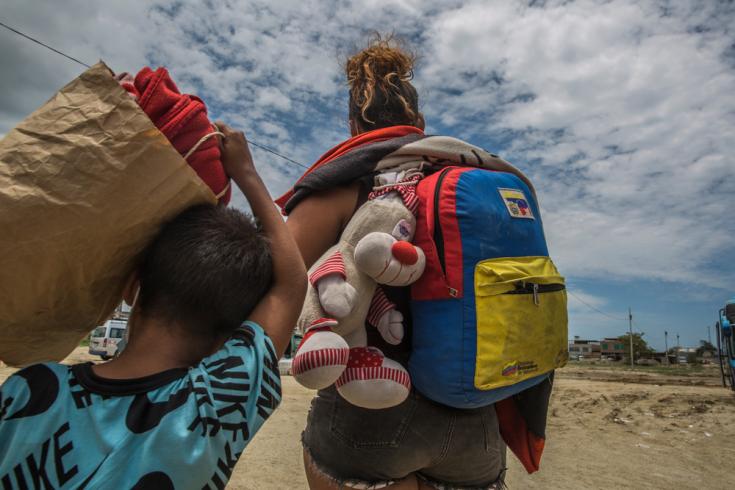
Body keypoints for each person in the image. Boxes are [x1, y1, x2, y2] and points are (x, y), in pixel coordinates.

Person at [0, 124, 307, 489]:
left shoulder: (30, 389)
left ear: (132, 288)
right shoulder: (213, 410)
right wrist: (247, 173)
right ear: (234, 329)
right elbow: (291, 284)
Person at [283, 37, 507, 489]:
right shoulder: (476, 181)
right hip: (478, 420)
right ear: (420, 123)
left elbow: (275, 281)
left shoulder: (344, 183)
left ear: (351, 126)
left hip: (371, 413)